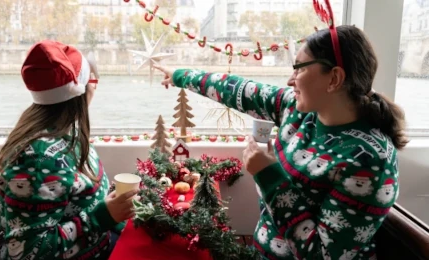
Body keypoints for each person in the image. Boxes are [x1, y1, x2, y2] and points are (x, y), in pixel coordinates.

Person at [154, 25, 407, 260]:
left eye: (300, 68)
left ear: (334, 79)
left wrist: (269, 176)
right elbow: (238, 89)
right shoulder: (299, 110)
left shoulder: (369, 160)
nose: (290, 79)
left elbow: (320, 255)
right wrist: (179, 76)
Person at [0, 40, 137, 260]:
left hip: (102, 244)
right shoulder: (38, 160)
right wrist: (102, 217)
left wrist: (116, 210)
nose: (95, 86)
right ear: (79, 92)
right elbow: (27, 252)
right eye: (93, 80)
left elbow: (80, 201)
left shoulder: (69, 135)